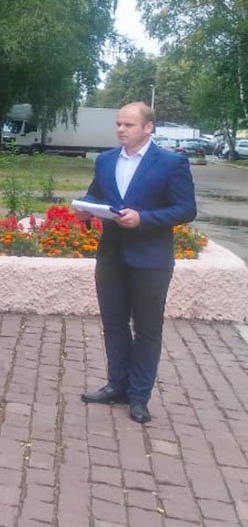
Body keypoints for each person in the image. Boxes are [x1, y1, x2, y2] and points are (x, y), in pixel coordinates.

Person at [75, 101, 196, 424]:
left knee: (146, 329)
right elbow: (95, 195)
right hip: (112, 255)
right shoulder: (105, 160)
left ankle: (139, 396)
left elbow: (186, 209)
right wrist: (86, 209)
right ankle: (117, 385)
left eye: (128, 125)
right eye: (118, 124)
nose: (120, 130)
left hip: (151, 259)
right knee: (113, 324)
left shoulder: (171, 163)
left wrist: (144, 218)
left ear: (148, 128)